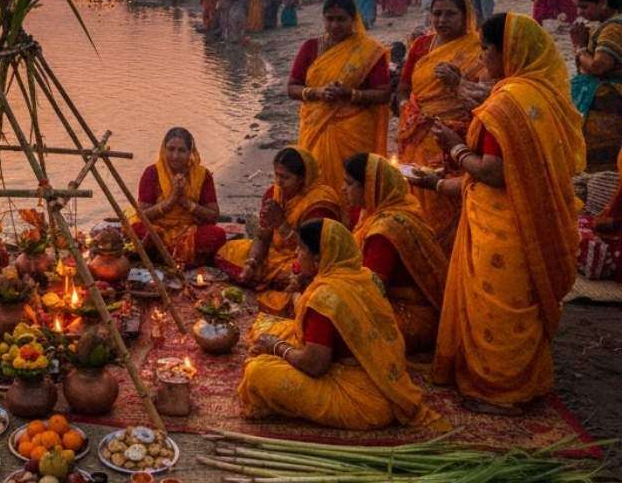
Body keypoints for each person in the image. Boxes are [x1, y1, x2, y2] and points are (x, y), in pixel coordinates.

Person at [421, 13, 584, 414]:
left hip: (502, 223)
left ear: (505, 51)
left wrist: (456, 146)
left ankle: (496, 391)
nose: (483, 57)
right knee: (520, 303)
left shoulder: (507, 103)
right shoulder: (544, 95)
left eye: (487, 50)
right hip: (535, 217)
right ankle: (522, 383)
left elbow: (494, 172)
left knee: (495, 305)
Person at [239, 220, 448, 431]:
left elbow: (315, 365)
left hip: (361, 402)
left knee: (257, 372)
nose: (296, 252)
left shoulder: (326, 298)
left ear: (319, 258)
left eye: (301, 248)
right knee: (268, 328)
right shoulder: (364, 277)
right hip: (383, 384)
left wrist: (277, 347)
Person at [395, 0, 484, 248]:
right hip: (415, 134)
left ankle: (450, 255)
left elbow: (489, 93)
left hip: (455, 135)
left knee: (448, 194)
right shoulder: (422, 45)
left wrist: (459, 82)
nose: (442, 20)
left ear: (465, 16)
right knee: (417, 191)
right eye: (437, 14)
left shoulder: (479, 49)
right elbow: (403, 87)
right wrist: (406, 110)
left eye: (450, 14)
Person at [217, 146, 344, 314]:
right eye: (276, 175)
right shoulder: (274, 193)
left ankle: (284, 290)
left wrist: (281, 224)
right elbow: (262, 236)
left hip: (306, 261)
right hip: (274, 254)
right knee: (227, 251)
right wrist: (252, 263)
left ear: (302, 179)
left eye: (285, 177)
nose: (279, 182)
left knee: (301, 279)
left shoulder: (320, 204)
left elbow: (316, 253)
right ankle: (268, 281)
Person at [287, 0, 391, 193]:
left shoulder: (369, 51)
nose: (335, 25)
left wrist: (350, 94)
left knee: (354, 184)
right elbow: (292, 86)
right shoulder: (311, 47)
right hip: (315, 126)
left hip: (354, 130)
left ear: (354, 20)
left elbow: (383, 93)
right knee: (316, 180)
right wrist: (317, 92)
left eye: (341, 19)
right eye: (330, 19)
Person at [344, 153, 448, 354]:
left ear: (370, 188)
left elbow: (370, 292)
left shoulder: (384, 232)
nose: (343, 189)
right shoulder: (382, 209)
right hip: (399, 302)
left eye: (349, 184)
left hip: (414, 315)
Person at [133, 127, 226, 267]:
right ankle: (180, 256)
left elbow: (213, 216)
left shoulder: (202, 175)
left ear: (190, 152)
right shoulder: (152, 172)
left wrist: (185, 202)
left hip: (190, 229)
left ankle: (162, 255)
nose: (175, 156)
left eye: (181, 150)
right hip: (158, 228)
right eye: (171, 149)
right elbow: (143, 215)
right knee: (137, 229)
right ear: (164, 150)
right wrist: (171, 200)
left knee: (218, 235)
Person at [570, 0, 622, 172]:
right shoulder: (607, 26)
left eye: (584, 7)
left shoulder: (612, 28)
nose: (580, 13)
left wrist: (579, 47)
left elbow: (599, 65)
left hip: (611, 103)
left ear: (603, 2)